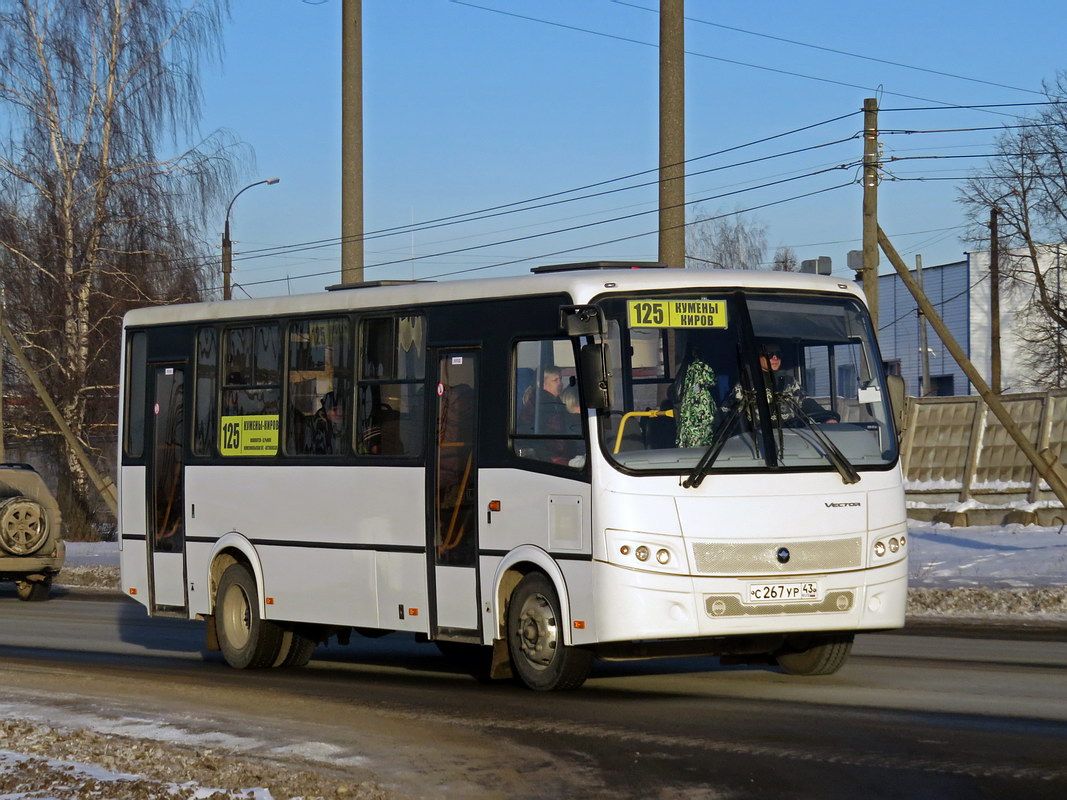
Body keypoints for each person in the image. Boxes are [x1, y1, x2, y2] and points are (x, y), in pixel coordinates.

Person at [733, 342, 838, 425]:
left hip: (792, 436)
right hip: (761, 441)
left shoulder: (789, 382)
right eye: (769, 354)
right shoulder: (745, 384)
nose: (775, 358)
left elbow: (805, 401)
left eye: (778, 354)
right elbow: (730, 411)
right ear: (757, 356)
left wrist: (827, 418)